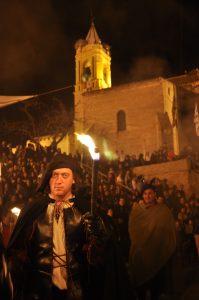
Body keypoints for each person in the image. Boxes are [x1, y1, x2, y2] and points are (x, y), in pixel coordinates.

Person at [2, 155, 108, 300]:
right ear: (48, 179)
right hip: (40, 290)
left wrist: (98, 237)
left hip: (77, 290)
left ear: (74, 179)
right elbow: (17, 255)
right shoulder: (34, 210)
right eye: (54, 176)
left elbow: (100, 259)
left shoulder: (85, 211)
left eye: (65, 175)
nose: (59, 180)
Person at [128, 184, 176, 300]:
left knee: (155, 289)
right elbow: (132, 229)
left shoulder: (163, 210)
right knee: (141, 289)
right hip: (140, 254)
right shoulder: (136, 210)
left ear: (155, 195)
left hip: (156, 254)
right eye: (145, 194)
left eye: (150, 193)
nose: (147, 196)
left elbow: (168, 230)